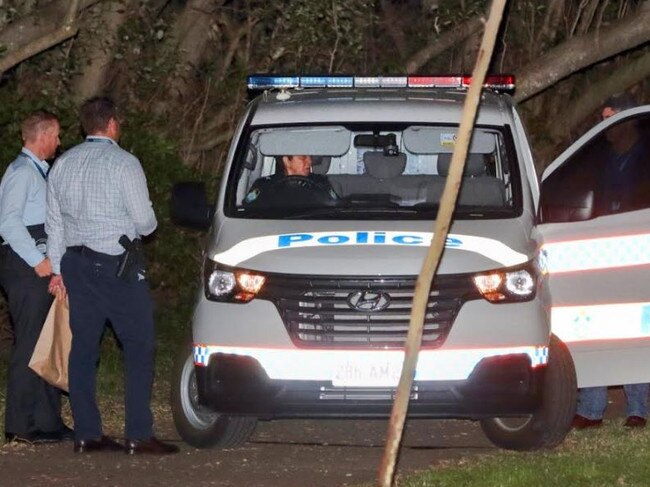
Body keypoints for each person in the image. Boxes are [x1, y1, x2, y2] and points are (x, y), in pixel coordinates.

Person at [45, 97, 178, 454]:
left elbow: (54, 225)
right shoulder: (125, 163)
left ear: (85, 126)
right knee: (139, 345)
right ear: (113, 124)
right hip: (116, 265)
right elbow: (146, 222)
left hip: (76, 264)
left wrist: (57, 270)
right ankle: (138, 432)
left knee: (83, 347)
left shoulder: (63, 164)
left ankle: (86, 433)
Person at [573, 93, 649, 430]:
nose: (605, 127)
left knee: (638, 326)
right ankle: (591, 409)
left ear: (628, 121)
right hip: (604, 249)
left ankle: (638, 408)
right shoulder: (602, 159)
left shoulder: (645, 157)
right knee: (594, 323)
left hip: (639, 251)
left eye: (611, 119)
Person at [0, 110, 72, 444]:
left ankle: (48, 421)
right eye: (56, 136)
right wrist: (37, 261)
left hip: (38, 266)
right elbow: (8, 222)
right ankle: (20, 423)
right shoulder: (20, 173)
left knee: (46, 342)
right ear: (42, 136)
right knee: (29, 344)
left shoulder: (38, 173)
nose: (58, 142)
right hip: (25, 267)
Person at [243, 154, 338, 208]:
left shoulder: (320, 182)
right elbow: (249, 211)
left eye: (310, 157)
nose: (309, 161)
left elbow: (336, 207)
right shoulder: (264, 185)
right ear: (286, 161)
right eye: (303, 157)